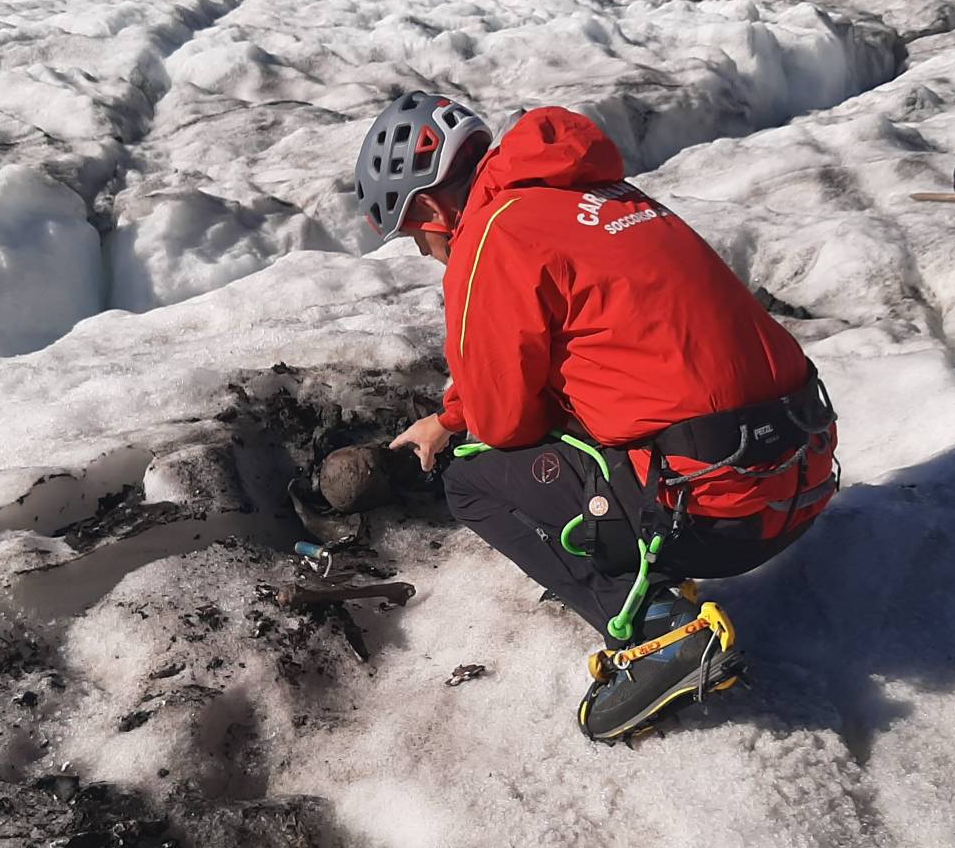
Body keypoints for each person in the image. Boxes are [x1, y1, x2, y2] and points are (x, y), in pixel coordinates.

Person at [357, 91, 840, 741]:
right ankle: (640, 558)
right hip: (801, 471)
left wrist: (465, 430)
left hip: (726, 513)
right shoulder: (597, 194)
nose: (426, 252)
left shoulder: (491, 234)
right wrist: (449, 416)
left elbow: (505, 425)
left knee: (473, 479)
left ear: (428, 207)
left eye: (418, 238)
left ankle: (659, 629)